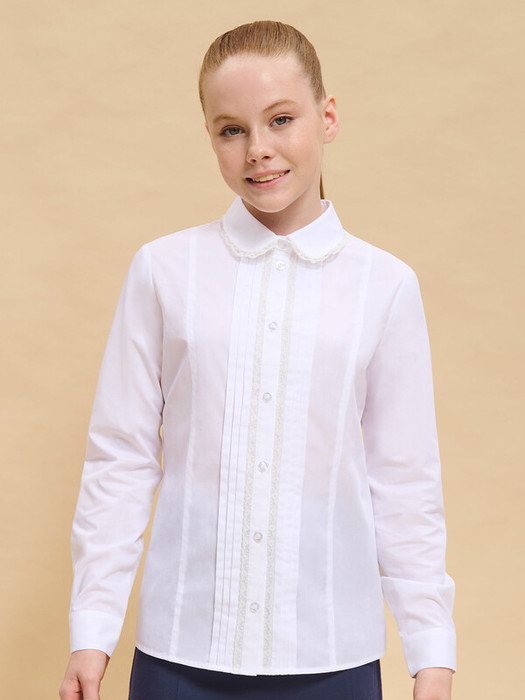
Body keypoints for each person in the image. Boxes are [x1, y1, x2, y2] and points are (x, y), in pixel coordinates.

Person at [59, 20, 456, 700]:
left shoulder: (385, 286)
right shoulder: (163, 271)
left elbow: (404, 480)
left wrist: (432, 652)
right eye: (231, 129)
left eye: (280, 119)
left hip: (331, 655)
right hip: (180, 652)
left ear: (327, 118)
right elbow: (120, 460)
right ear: (209, 135)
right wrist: (92, 630)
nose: (258, 149)